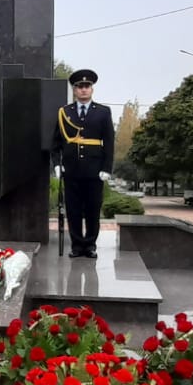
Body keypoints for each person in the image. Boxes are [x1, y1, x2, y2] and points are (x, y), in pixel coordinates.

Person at [53, 69, 115, 258]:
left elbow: (109, 142)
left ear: (92, 89)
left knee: (92, 208)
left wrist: (106, 168)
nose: (83, 90)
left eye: (87, 86)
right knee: (73, 209)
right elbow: (56, 142)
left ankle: (90, 246)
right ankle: (77, 246)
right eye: (80, 86)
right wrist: (57, 164)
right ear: (74, 90)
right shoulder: (65, 112)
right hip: (71, 170)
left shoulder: (103, 112)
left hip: (94, 170)